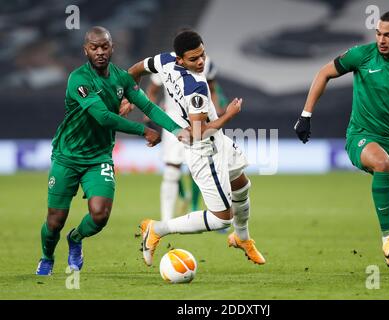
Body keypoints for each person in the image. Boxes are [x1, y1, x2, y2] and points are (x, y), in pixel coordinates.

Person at [35, 26, 187, 275]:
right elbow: (103, 117)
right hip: (67, 157)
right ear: (86, 50)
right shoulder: (78, 79)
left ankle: (75, 238)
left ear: (112, 48)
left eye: (104, 46)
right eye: (94, 47)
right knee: (55, 220)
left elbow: (148, 106)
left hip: (99, 157)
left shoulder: (121, 79)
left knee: (99, 215)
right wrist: (143, 131)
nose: (100, 52)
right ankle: (47, 257)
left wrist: (177, 130)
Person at [294, 11, 389, 275]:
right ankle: (387, 239)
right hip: (361, 136)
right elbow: (324, 73)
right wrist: (305, 115)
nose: (382, 40)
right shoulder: (362, 55)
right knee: (382, 163)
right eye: (379, 33)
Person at [128, 30, 265, 266]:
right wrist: (229, 115)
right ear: (180, 60)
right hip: (205, 151)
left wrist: (129, 95)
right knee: (222, 219)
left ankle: (242, 238)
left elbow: (134, 70)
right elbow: (199, 132)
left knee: (241, 187)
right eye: (194, 59)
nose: (201, 62)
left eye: (202, 55)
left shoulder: (164, 60)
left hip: (219, 142)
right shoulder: (195, 89)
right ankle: (157, 228)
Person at [145, 57, 224, 221]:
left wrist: (217, 110)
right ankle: (166, 220)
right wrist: (148, 110)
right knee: (171, 170)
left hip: (199, 123)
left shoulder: (206, 62)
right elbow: (153, 89)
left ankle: (195, 206)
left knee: (197, 168)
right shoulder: (165, 62)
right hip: (172, 123)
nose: (199, 57)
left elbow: (212, 88)